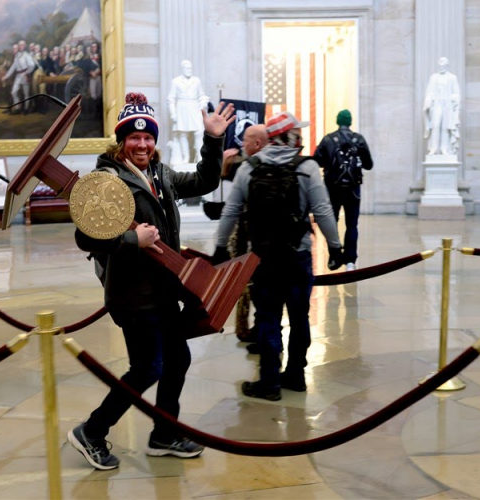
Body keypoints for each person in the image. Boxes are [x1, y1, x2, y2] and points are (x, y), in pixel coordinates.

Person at [68, 92, 235, 470]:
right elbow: (84, 238)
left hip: (163, 289)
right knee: (148, 367)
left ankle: (164, 434)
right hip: (132, 293)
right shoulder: (107, 180)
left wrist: (212, 140)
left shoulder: (161, 174)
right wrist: (131, 239)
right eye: (133, 137)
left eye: (147, 137)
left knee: (177, 358)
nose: (142, 144)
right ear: (121, 141)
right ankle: (91, 432)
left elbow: (206, 180)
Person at [212, 111, 342, 401]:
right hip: (297, 256)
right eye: (298, 131)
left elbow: (231, 210)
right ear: (290, 136)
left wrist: (220, 246)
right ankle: (296, 374)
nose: (301, 135)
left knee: (268, 317)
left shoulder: (250, 167)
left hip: (263, 258)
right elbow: (323, 211)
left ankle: (269, 381)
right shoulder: (307, 168)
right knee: (299, 317)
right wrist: (335, 247)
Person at [220, 124, 268, 341]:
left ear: (257, 143)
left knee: (250, 286)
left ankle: (254, 330)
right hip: (258, 240)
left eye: (246, 139)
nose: (242, 143)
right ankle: (254, 329)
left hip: (251, 240)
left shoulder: (248, 166)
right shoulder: (247, 164)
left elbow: (231, 208)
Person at [313, 109, 374, 272]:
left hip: (333, 188)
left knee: (331, 222)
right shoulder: (358, 139)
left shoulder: (328, 139)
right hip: (353, 190)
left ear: (337, 121)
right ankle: (350, 261)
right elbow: (369, 164)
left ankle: (335, 256)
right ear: (350, 122)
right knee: (352, 225)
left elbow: (317, 161)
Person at [167, 60, 209, 164]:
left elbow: (201, 95)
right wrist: (173, 113)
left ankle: (200, 157)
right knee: (183, 134)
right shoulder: (176, 81)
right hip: (181, 108)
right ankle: (185, 157)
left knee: (198, 132)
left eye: (190, 68)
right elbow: (171, 98)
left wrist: (203, 103)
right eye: (186, 68)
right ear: (182, 69)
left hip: (194, 107)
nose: (188, 70)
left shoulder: (196, 80)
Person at [422, 57, 460, 156]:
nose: (442, 66)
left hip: (447, 104)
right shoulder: (433, 77)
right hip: (436, 104)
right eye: (440, 65)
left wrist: (454, 99)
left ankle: (445, 149)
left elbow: (456, 92)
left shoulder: (452, 77)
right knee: (435, 125)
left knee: (445, 127)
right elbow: (429, 91)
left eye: (444, 65)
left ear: (447, 65)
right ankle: (434, 148)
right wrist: (428, 101)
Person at [2, 40, 36, 114]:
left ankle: (26, 109)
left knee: (26, 94)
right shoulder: (17, 56)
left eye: (22, 45)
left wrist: (27, 73)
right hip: (18, 76)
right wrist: (6, 76)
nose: (21, 46)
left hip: (25, 76)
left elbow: (32, 65)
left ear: (25, 46)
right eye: (20, 45)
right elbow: (13, 67)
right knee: (14, 92)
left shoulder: (27, 55)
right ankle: (17, 108)